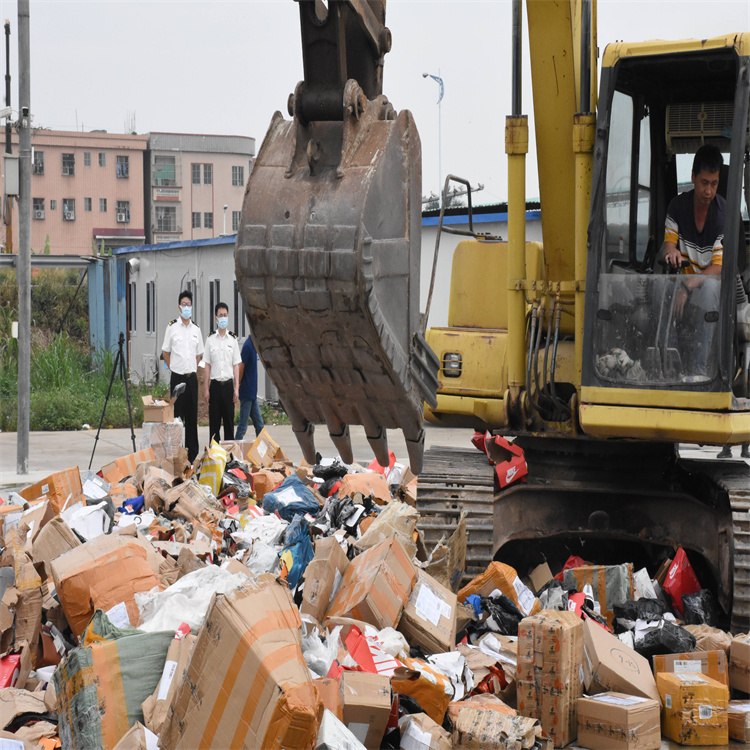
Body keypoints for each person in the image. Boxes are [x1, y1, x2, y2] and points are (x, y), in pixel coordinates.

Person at [663, 144, 725, 375]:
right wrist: (671, 251)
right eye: (704, 183)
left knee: (709, 289)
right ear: (693, 177)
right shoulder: (677, 206)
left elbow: (718, 268)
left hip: (705, 287)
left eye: (714, 184)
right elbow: (669, 243)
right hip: (683, 283)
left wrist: (688, 287)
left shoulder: (722, 215)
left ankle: (699, 371)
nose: (709, 191)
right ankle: (669, 365)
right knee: (660, 289)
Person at [162, 290, 204, 463]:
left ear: (192, 307)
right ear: (179, 307)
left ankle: (192, 455)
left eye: (189, 304)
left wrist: (190, 367)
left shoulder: (196, 329)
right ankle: (177, 455)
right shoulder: (172, 327)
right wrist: (174, 368)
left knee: (192, 418)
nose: (186, 307)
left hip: (191, 379)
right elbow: (165, 352)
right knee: (177, 418)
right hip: (177, 379)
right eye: (183, 304)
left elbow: (199, 354)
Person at [202, 302, 241, 444]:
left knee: (229, 426)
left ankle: (230, 460)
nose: (223, 318)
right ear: (216, 319)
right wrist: (206, 389)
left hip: (228, 387)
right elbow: (207, 365)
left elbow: (236, 365)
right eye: (220, 315)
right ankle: (215, 459)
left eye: (225, 315)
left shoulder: (233, 339)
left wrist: (236, 388)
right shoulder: (210, 339)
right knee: (214, 426)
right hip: (215, 388)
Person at [235, 333, 265, 441]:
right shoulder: (248, 346)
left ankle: (262, 452)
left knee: (260, 426)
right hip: (247, 392)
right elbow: (241, 367)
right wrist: (237, 385)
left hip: (252, 393)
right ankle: (235, 450)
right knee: (243, 426)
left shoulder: (254, 345)